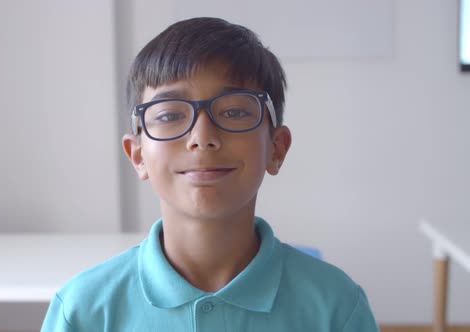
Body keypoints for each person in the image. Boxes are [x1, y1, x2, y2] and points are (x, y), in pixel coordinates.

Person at [41, 17, 379, 331]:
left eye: (233, 111)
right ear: (138, 154)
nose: (202, 137)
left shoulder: (336, 307)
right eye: (170, 115)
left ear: (276, 148)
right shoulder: (84, 311)